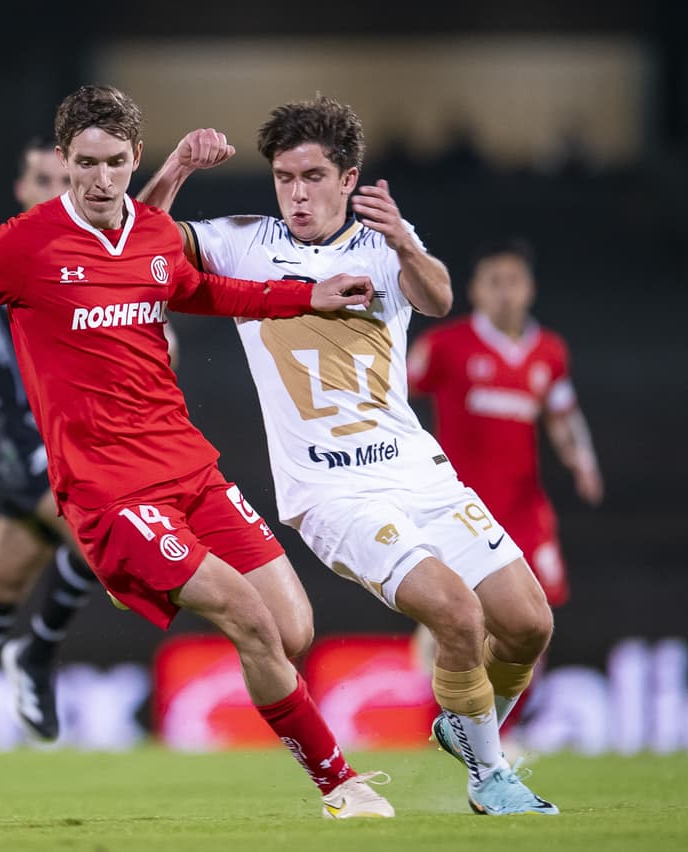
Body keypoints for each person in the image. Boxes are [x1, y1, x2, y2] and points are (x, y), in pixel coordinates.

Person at [0, 85, 392, 819]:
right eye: (84, 163)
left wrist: (306, 296)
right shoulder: (21, 245)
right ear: (64, 159)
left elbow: (207, 292)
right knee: (249, 618)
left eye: (113, 163)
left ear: (136, 159)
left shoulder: (155, 233)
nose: (99, 179)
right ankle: (341, 784)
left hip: (189, 469)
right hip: (110, 493)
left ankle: (120, 591)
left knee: (293, 629)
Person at [137, 98, 559, 815]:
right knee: (457, 613)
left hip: (416, 470)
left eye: (312, 177)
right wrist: (176, 167)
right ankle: (491, 777)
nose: (297, 194)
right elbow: (135, 242)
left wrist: (405, 242)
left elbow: (438, 298)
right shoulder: (243, 240)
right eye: (284, 178)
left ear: (348, 179)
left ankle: (466, 726)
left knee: (528, 623)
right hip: (332, 492)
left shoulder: (384, 245)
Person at [0, 138, 153, 795]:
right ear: (20, 189)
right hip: (15, 433)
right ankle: (38, 655)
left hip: (78, 434)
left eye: (61, 181)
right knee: (103, 532)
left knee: (4, 581)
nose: (52, 191)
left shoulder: (104, 253)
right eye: (42, 179)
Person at [406, 239, 603, 725]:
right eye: (494, 282)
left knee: (534, 623)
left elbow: (562, 414)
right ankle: (450, 726)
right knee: (459, 624)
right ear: (474, 290)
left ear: (530, 288)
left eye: (513, 281)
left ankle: (505, 730)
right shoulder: (445, 346)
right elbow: (390, 393)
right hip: (459, 513)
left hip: (523, 512)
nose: (505, 292)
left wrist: (582, 461)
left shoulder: (549, 352)